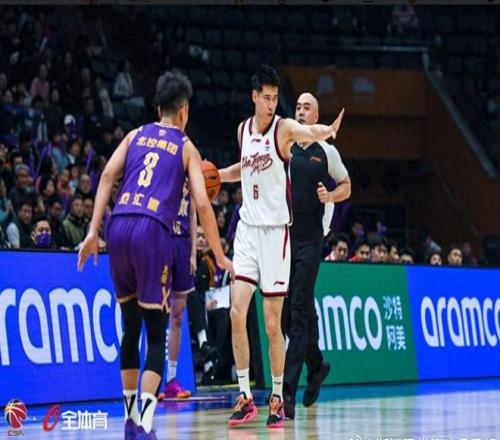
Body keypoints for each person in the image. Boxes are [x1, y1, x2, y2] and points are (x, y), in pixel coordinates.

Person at [78, 71, 233, 440]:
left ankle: (130, 419)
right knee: (154, 332)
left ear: (158, 107)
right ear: (183, 112)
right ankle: (145, 423)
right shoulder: (186, 146)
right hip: (152, 230)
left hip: (118, 225)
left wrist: (92, 230)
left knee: (130, 327)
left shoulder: (134, 135)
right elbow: (202, 203)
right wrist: (218, 252)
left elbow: (106, 177)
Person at [218, 65, 344, 428]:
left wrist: (327, 130)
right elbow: (241, 170)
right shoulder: (242, 130)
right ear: (254, 97)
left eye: (276, 98)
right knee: (236, 313)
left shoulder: (284, 128)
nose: (272, 104)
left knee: (274, 323)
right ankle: (245, 396)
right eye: (266, 98)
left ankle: (276, 397)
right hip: (247, 231)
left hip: (277, 234)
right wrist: (214, 176)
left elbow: (309, 131)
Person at [282, 92, 350, 419]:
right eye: (297, 107)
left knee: (298, 311)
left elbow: (347, 185)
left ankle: (286, 394)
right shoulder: (286, 148)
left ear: (316, 115)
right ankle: (317, 365)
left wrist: (330, 196)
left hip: (311, 237)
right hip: (286, 235)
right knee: (291, 314)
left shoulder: (327, 151)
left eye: (306, 107)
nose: (300, 111)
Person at [162, 180, 197, 399]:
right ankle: (153, 379)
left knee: (177, 316)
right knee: (156, 314)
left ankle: (171, 380)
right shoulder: (162, 167)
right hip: (163, 240)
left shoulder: (191, 173)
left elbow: (193, 214)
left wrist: (193, 253)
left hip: (183, 244)